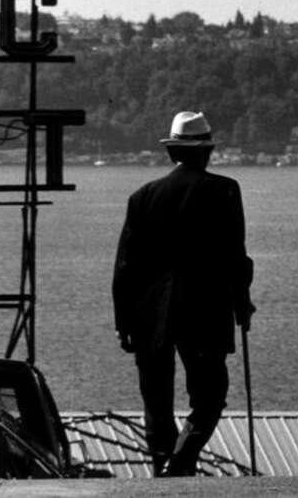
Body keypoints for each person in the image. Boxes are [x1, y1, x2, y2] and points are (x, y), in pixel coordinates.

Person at [112, 111, 254, 476]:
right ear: (206, 151)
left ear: (171, 151)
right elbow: (234, 255)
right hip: (205, 311)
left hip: (149, 315)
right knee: (210, 396)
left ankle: (166, 466)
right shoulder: (225, 190)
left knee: (156, 400)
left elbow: (125, 267)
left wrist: (123, 320)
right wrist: (242, 303)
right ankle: (182, 459)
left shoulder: (141, 197)